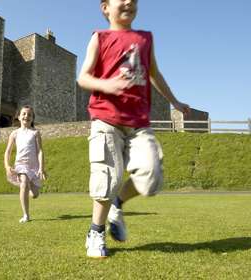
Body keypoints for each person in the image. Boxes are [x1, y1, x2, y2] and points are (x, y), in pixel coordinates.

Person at [77, 0, 191, 258]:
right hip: (106, 119)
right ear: (105, 7)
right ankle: (96, 232)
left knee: (151, 178)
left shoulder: (145, 38)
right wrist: (107, 86)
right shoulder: (100, 37)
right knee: (107, 178)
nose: (129, 1)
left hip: (138, 123)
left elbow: (155, 74)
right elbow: (83, 77)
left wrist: (175, 101)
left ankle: (119, 204)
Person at [3, 105, 47, 223]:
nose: (26, 116)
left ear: (32, 118)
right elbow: (7, 152)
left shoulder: (35, 133)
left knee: (35, 195)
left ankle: (28, 186)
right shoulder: (14, 133)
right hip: (21, 165)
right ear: (18, 117)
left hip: (34, 167)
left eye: (29, 115)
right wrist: (7, 166)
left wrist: (41, 168)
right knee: (23, 184)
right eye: (24, 114)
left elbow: (40, 151)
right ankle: (26, 215)